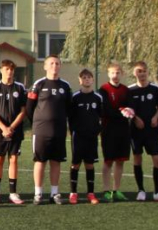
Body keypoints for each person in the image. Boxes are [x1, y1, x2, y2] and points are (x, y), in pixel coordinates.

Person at [26, 55, 71, 205]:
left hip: (59, 130)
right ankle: (38, 193)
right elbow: (29, 108)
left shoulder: (65, 86)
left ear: (60, 66)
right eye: (51, 63)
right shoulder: (38, 84)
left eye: (57, 63)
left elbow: (69, 108)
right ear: (45, 66)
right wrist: (38, 122)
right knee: (40, 161)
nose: (54, 66)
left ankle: (54, 193)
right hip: (41, 130)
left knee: (56, 161)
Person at [128, 61, 158, 202]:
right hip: (136, 132)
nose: (142, 73)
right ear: (135, 73)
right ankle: (141, 190)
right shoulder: (130, 90)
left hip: (151, 131)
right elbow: (127, 110)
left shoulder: (154, 89)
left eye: (144, 71)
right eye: (139, 71)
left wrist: (156, 117)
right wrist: (135, 119)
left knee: (157, 161)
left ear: (148, 72)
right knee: (138, 159)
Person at [0, 59, 27, 205]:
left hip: (15, 130)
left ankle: (13, 193)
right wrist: (3, 128)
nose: (9, 72)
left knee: (14, 159)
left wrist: (12, 127)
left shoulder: (20, 87)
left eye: (11, 69)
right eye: (6, 69)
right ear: (1, 70)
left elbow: (23, 111)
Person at [68, 69, 103, 205]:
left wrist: (98, 130)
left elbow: (102, 116)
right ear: (80, 80)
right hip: (78, 136)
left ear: (92, 80)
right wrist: (72, 131)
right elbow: (70, 117)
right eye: (84, 77)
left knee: (89, 164)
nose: (86, 79)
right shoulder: (75, 97)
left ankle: (91, 193)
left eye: (89, 77)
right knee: (75, 164)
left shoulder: (98, 98)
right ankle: (73, 193)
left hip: (92, 136)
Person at [99, 62, 131, 202]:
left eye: (118, 73)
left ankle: (116, 190)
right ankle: (106, 190)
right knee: (108, 161)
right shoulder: (104, 89)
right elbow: (106, 110)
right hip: (108, 129)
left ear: (122, 74)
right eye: (112, 73)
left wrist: (129, 111)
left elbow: (130, 107)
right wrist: (122, 112)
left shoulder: (125, 90)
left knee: (120, 161)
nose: (115, 75)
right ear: (108, 74)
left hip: (123, 129)